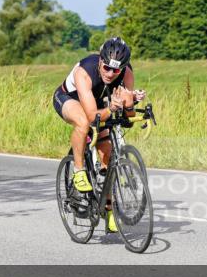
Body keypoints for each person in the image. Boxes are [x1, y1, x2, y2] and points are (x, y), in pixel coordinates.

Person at [52, 37, 145, 231]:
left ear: (123, 68)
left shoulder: (126, 73)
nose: (111, 74)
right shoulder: (84, 71)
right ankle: (78, 171)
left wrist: (131, 101)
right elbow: (93, 115)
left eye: (116, 70)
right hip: (70, 98)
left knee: (108, 154)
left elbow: (128, 117)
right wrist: (112, 107)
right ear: (100, 61)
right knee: (84, 122)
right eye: (107, 68)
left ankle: (109, 211)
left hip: (99, 102)